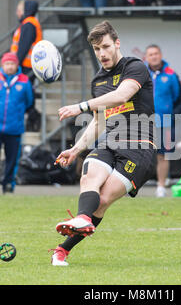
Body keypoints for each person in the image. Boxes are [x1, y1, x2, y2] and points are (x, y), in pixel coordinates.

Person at [50, 21, 157, 265]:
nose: (102, 54)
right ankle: (79, 223)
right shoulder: (98, 81)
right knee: (89, 175)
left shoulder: (135, 67)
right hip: (110, 142)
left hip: (139, 147)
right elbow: (98, 122)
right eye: (97, 49)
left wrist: (80, 106)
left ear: (117, 43)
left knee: (103, 200)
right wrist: (76, 149)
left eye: (106, 47)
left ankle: (62, 248)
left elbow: (122, 95)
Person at [0, 53, 34, 194]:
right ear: (2, 65)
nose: (10, 66)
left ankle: (8, 184)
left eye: (12, 63)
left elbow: (29, 102)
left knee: (12, 158)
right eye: (7, 64)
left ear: (17, 65)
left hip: (15, 127)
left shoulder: (24, 81)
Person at [145, 44, 181, 197]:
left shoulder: (171, 75)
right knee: (137, 153)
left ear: (160, 55)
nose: (154, 56)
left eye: (156, 53)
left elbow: (176, 96)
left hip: (164, 120)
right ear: (146, 58)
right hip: (142, 120)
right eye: (150, 54)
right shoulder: (141, 73)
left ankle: (161, 186)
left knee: (163, 155)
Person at [11, 0, 42, 79]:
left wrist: (16, 63)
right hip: (27, 64)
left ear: (24, 11)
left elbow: (23, 47)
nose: (17, 13)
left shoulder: (29, 24)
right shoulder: (30, 23)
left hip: (26, 66)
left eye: (19, 11)